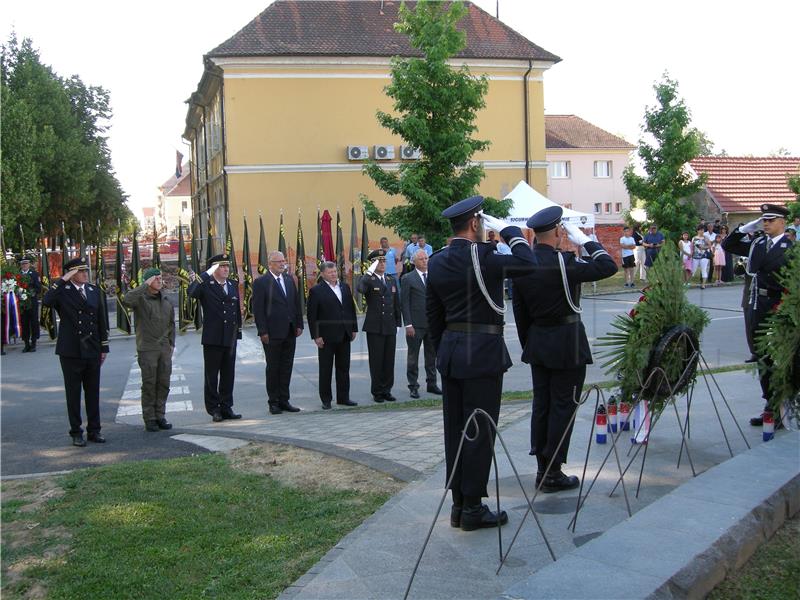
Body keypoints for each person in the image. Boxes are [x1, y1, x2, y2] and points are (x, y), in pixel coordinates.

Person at [427, 195, 536, 531]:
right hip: (482, 352)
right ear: (476, 223)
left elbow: (434, 315)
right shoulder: (485, 256)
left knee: (455, 430)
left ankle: (460, 504)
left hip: (452, 351)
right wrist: (513, 233)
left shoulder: (437, 261)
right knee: (479, 429)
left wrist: (444, 350)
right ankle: (473, 507)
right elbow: (529, 263)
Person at [512, 206, 618, 492]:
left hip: (538, 343)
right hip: (567, 344)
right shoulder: (564, 263)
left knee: (542, 406)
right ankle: (553, 472)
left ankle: (541, 469)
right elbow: (608, 266)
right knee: (563, 407)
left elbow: (520, 314)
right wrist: (585, 240)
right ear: (559, 231)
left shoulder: (524, 264)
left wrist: (530, 346)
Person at [723, 204, 793, 427]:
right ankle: (770, 404)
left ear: (782, 222)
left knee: (779, 359)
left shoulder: (791, 247)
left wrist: (786, 307)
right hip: (756, 305)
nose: (766, 224)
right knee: (762, 357)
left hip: (778, 307)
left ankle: (780, 404)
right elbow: (729, 244)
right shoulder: (757, 243)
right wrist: (744, 228)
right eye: (763, 220)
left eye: (770, 220)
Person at [42, 257, 109, 447]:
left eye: (86, 271)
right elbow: (46, 301)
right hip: (71, 350)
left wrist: (104, 347)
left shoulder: (93, 291)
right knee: (73, 394)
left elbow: (101, 320)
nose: (85, 274)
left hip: (92, 348)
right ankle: (76, 432)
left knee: (93, 392)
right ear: (71, 274)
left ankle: (94, 430)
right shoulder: (62, 292)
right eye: (80, 271)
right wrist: (63, 280)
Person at [189, 253, 243, 422]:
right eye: (221, 266)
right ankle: (214, 409)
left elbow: (235, 310)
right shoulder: (206, 284)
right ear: (213, 269)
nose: (226, 269)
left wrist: (238, 332)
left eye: (227, 266)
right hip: (213, 338)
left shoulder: (232, 284)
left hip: (230, 337)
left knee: (228, 374)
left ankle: (226, 406)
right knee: (212, 376)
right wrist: (205, 274)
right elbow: (192, 292)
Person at [121, 267, 175, 432]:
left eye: (160, 278)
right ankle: (149, 418)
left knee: (163, 383)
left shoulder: (165, 299)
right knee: (149, 384)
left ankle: (160, 416)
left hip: (164, 348)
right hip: (148, 348)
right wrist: (145, 285)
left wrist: (171, 344)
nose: (160, 281)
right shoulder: (140, 299)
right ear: (148, 281)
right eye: (156, 279)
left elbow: (171, 324)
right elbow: (126, 299)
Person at [252, 251, 304, 415]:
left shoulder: (289, 280)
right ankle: (273, 402)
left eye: (284, 261)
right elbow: (258, 309)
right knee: (273, 367)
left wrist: (299, 324)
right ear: (270, 264)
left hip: (289, 330)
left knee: (286, 366)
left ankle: (284, 399)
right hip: (272, 332)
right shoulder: (261, 282)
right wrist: (262, 331)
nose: (283, 264)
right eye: (279, 261)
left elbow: (295, 303)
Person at [307, 261, 358, 409]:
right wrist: (316, 336)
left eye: (335, 271)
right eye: (330, 272)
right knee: (326, 369)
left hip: (344, 334)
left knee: (343, 368)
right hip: (326, 336)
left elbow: (350, 309)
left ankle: (343, 397)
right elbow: (312, 316)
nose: (334, 274)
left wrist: (353, 328)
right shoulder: (316, 291)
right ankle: (326, 399)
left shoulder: (344, 287)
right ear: (323, 274)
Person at [357, 248, 401, 402]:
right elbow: (360, 289)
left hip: (390, 325)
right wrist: (368, 273)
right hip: (375, 326)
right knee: (376, 360)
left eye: (384, 261)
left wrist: (398, 322)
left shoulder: (390, 280)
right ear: (372, 264)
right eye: (378, 261)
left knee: (389, 360)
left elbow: (396, 303)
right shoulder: (369, 280)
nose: (382, 263)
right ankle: (377, 391)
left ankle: (387, 389)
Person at [401, 249, 441, 399]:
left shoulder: (434, 276)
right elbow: (404, 303)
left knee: (432, 356)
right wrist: (408, 324)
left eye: (426, 258)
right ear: (414, 261)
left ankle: (432, 383)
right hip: (415, 325)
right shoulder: (408, 278)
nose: (425, 261)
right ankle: (413, 386)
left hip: (432, 323)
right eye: (421, 259)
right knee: (413, 357)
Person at [18, 255, 42, 352]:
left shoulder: (34, 274)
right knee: (24, 323)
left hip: (32, 302)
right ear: (21, 265)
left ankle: (34, 343)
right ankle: (26, 343)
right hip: (22, 304)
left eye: (26, 263)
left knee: (34, 322)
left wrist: (31, 293)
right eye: (23, 264)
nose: (24, 265)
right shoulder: (18, 275)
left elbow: (38, 288)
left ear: (29, 264)